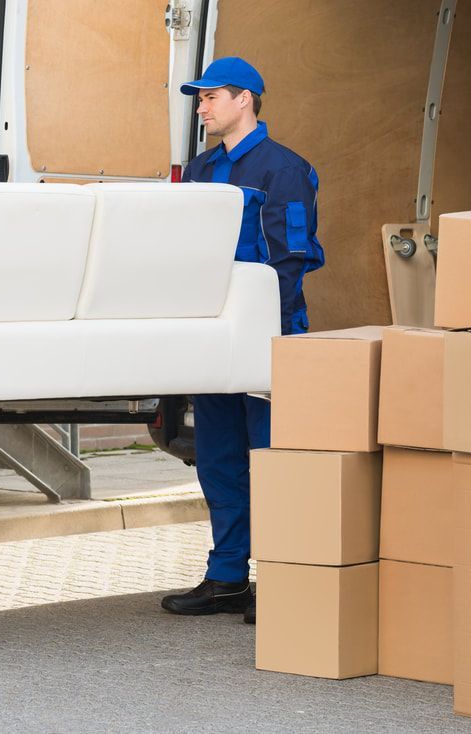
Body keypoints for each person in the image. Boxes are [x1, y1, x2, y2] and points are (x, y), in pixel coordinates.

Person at [160, 57, 325, 624]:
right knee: (219, 459)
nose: (201, 108)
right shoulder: (201, 170)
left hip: (268, 339)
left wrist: (263, 334)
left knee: (270, 459)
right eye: (200, 99)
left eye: (210, 98)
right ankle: (228, 577)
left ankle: (282, 577)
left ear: (245, 100)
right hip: (213, 341)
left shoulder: (286, 170)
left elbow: (292, 259)